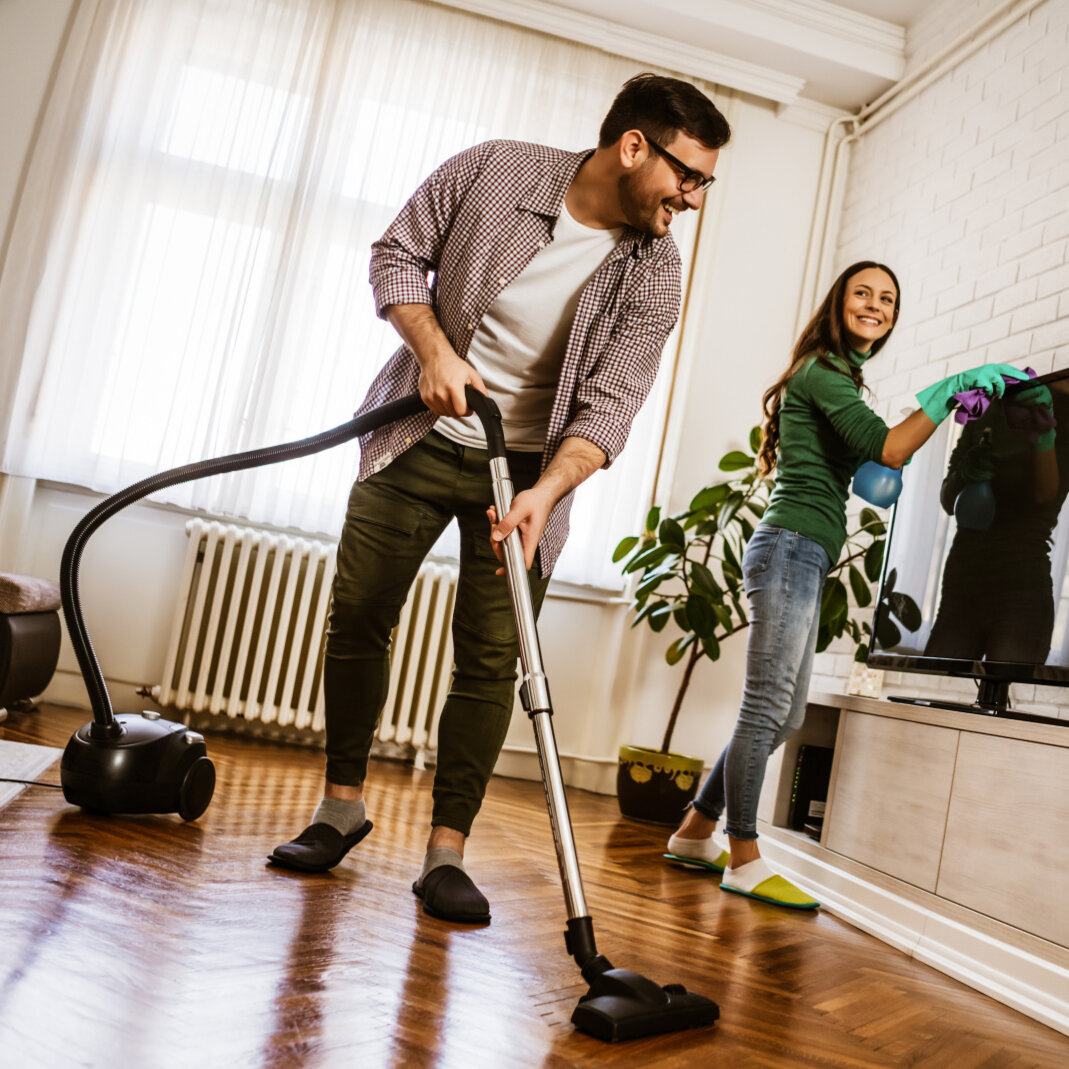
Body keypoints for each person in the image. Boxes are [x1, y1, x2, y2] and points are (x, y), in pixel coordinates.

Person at [269, 74, 733, 924]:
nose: (695, 198)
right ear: (634, 147)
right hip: (414, 434)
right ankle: (340, 807)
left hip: (524, 475)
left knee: (491, 659)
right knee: (359, 612)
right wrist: (435, 353)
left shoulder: (656, 272)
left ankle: (445, 852)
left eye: (703, 182)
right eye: (688, 176)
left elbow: (611, 402)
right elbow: (396, 254)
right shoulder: (494, 171)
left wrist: (546, 494)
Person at [664, 261, 1029, 910]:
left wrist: (944, 404)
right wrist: (947, 389)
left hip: (802, 553)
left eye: (887, 297)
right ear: (836, 303)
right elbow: (888, 451)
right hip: (789, 548)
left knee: (785, 714)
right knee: (764, 707)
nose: (875, 304)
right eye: (862, 292)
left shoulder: (837, 379)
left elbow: (876, 451)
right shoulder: (821, 372)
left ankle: (694, 831)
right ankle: (741, 854)